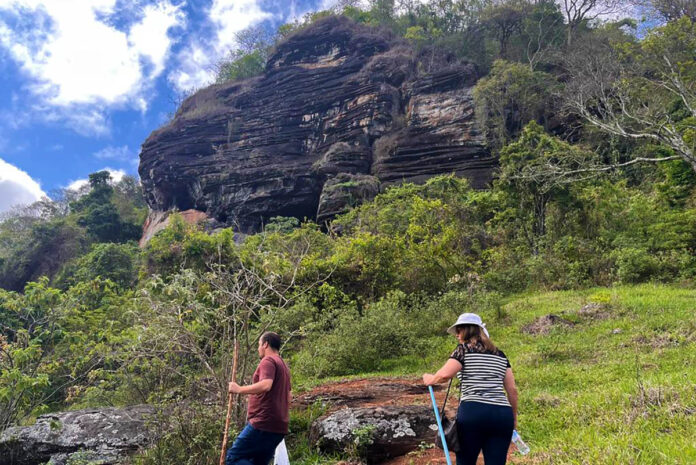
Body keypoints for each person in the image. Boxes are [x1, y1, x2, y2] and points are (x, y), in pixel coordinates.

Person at [423, 313, 518, 465]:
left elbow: (445, 375)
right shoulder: (500, 355)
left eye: (458, 331)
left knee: (466, 461)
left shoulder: (463, 350)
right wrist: (513, 418)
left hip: (473, 412)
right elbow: (512, 390)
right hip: (502, 415)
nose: (457, 336)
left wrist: (430, 378)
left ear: (466, 331)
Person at [226, 332, 291, 465]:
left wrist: (239, 389)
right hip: (279, 426)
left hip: (263, 422)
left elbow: (266, 385)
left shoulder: (268, 360)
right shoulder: (284, 366)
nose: (258, 348)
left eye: (259, 345)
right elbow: (289, 396)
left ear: (265, 344)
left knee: (233, 458)